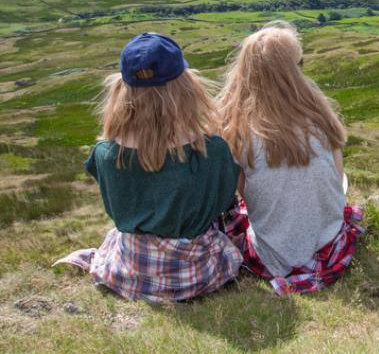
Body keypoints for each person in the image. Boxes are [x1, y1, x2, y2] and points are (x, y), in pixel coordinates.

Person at [54, 33, 242, 303]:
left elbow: (116, 208)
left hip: (130, 271)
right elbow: (224, 204)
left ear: (122, 89)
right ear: (185, 86)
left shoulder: (106, 154)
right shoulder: (212, 150)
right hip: (197, 274)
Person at [218, 21, 363, 296]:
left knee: (244, 214)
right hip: (330, 247)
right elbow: (337, 179)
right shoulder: (321, 117)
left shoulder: (236, 130)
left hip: (273, 257)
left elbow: (247, 195)